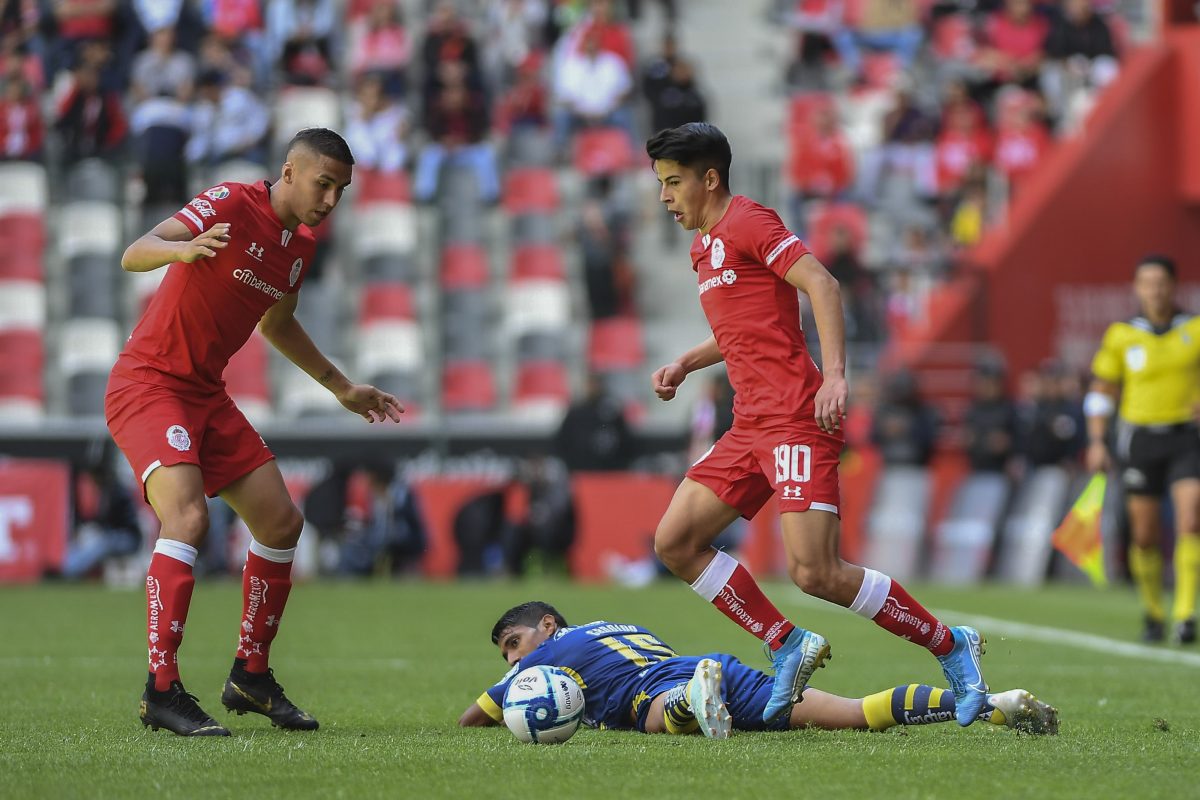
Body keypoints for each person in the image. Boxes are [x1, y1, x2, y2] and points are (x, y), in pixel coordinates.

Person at [644, 122, 988, 728]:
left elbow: (822, 285)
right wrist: (685, 362)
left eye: (673, 183)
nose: (666, 197)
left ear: (710, 179)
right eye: (661, 185)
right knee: (674, 543)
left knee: (815, 572)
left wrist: (834, 376)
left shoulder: (749, 221)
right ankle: (785, 642)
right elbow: (741, 329)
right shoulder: (706, 246)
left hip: (796, 420)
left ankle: (950, 644)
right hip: (748, 425)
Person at [106, 128, 405, 737]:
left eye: (341, 190)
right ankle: (160, 689)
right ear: (289, 173)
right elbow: (135, 251)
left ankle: (251, 676)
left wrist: (339, 385)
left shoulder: (301, 246)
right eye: (323, 184)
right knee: (187, 519)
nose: (330, 200)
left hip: (205, 396)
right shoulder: (229, 202)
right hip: (149, 384)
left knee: (280, 522)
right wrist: (181, 251)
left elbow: (278, 323)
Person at [458, 602, 1058, 738]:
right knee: (850, 714)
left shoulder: (540, 661)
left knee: (648, 717)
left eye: (515, 642)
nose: (515, 659)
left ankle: (692, 705)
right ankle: (993, 704)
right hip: (706, 663)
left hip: (659, 689)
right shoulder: (616, 624)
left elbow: (473, 719)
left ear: (546, 626)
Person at [1085, 255, 1200, 645]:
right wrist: (1098, 440)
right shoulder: (1121, 335)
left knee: (1191, 517)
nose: (1155, 289)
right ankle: (1153, 612)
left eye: (1161, 282)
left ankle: (1186, 614)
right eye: (1147, 282)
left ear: (1174, 286)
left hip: (1187, 435)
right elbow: (1102, 392)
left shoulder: (1195, 329)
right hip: (1141, 440)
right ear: (1137, 288)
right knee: (1146, 534)